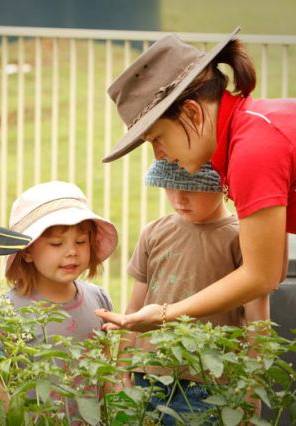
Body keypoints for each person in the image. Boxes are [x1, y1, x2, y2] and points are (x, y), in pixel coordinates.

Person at [97, 27, 293, 330]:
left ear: (192, 114)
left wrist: (164, 314)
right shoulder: (249, 133)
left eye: (157, 138)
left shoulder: (253, 150)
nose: (159, 156)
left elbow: (261, 275)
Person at [112, 160, 269, 424]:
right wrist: (123, 364)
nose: (179, 198)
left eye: (192, 188)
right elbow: (134, 310)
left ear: (224, 186)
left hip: (208, 380)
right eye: (170, 187)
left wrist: (251, 387)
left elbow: (257, 322)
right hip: (147, 375)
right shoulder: (153, 232)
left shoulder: (241, 239)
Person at [5, 180, 117, 341]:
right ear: (27, 251)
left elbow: (105, 360)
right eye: (57, 244)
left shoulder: (98, 299)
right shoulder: (8, 311)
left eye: (81, 242)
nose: (72, 252)